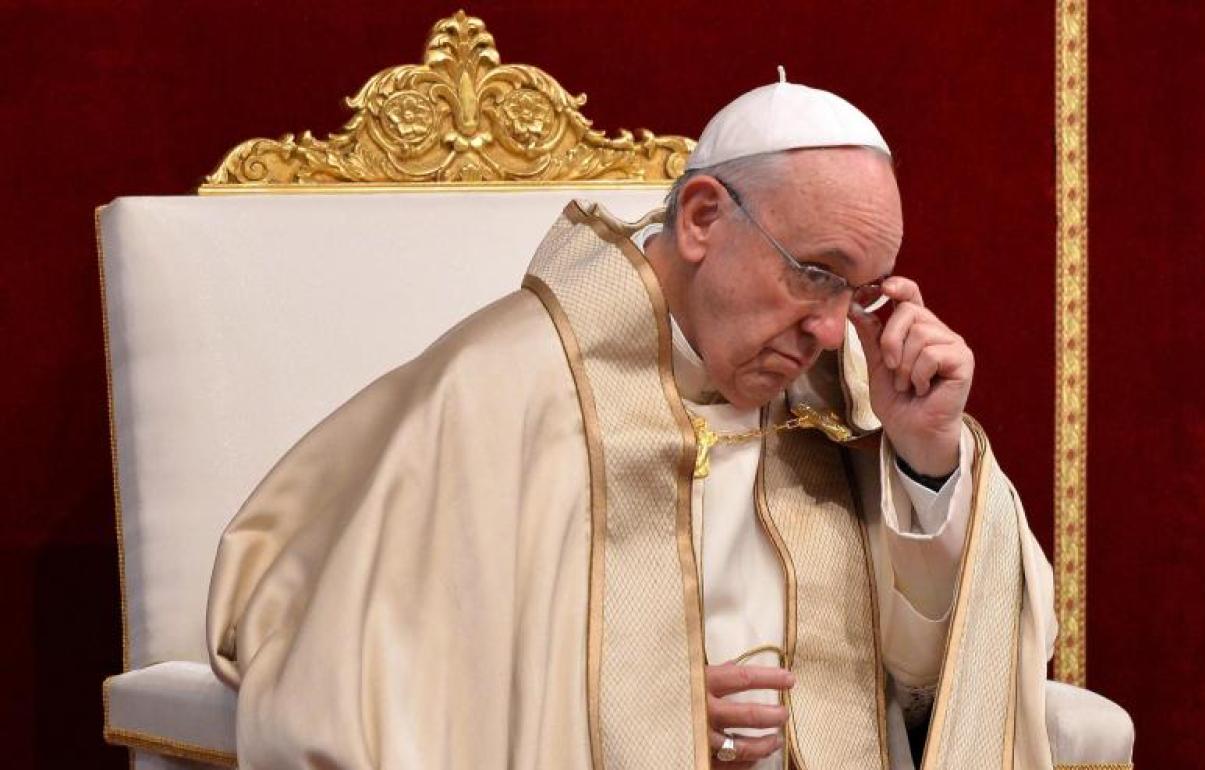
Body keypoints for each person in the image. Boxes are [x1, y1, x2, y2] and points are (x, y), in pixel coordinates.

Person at [207, 73, 1057, 769]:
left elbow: (929, 680)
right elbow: (365, 671)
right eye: (814, 274)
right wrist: (641, 717)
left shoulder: (844, 397)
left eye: (860, 290)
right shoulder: (507, 386)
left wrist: (926, 459)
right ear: (701, 218)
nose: (834, 331)